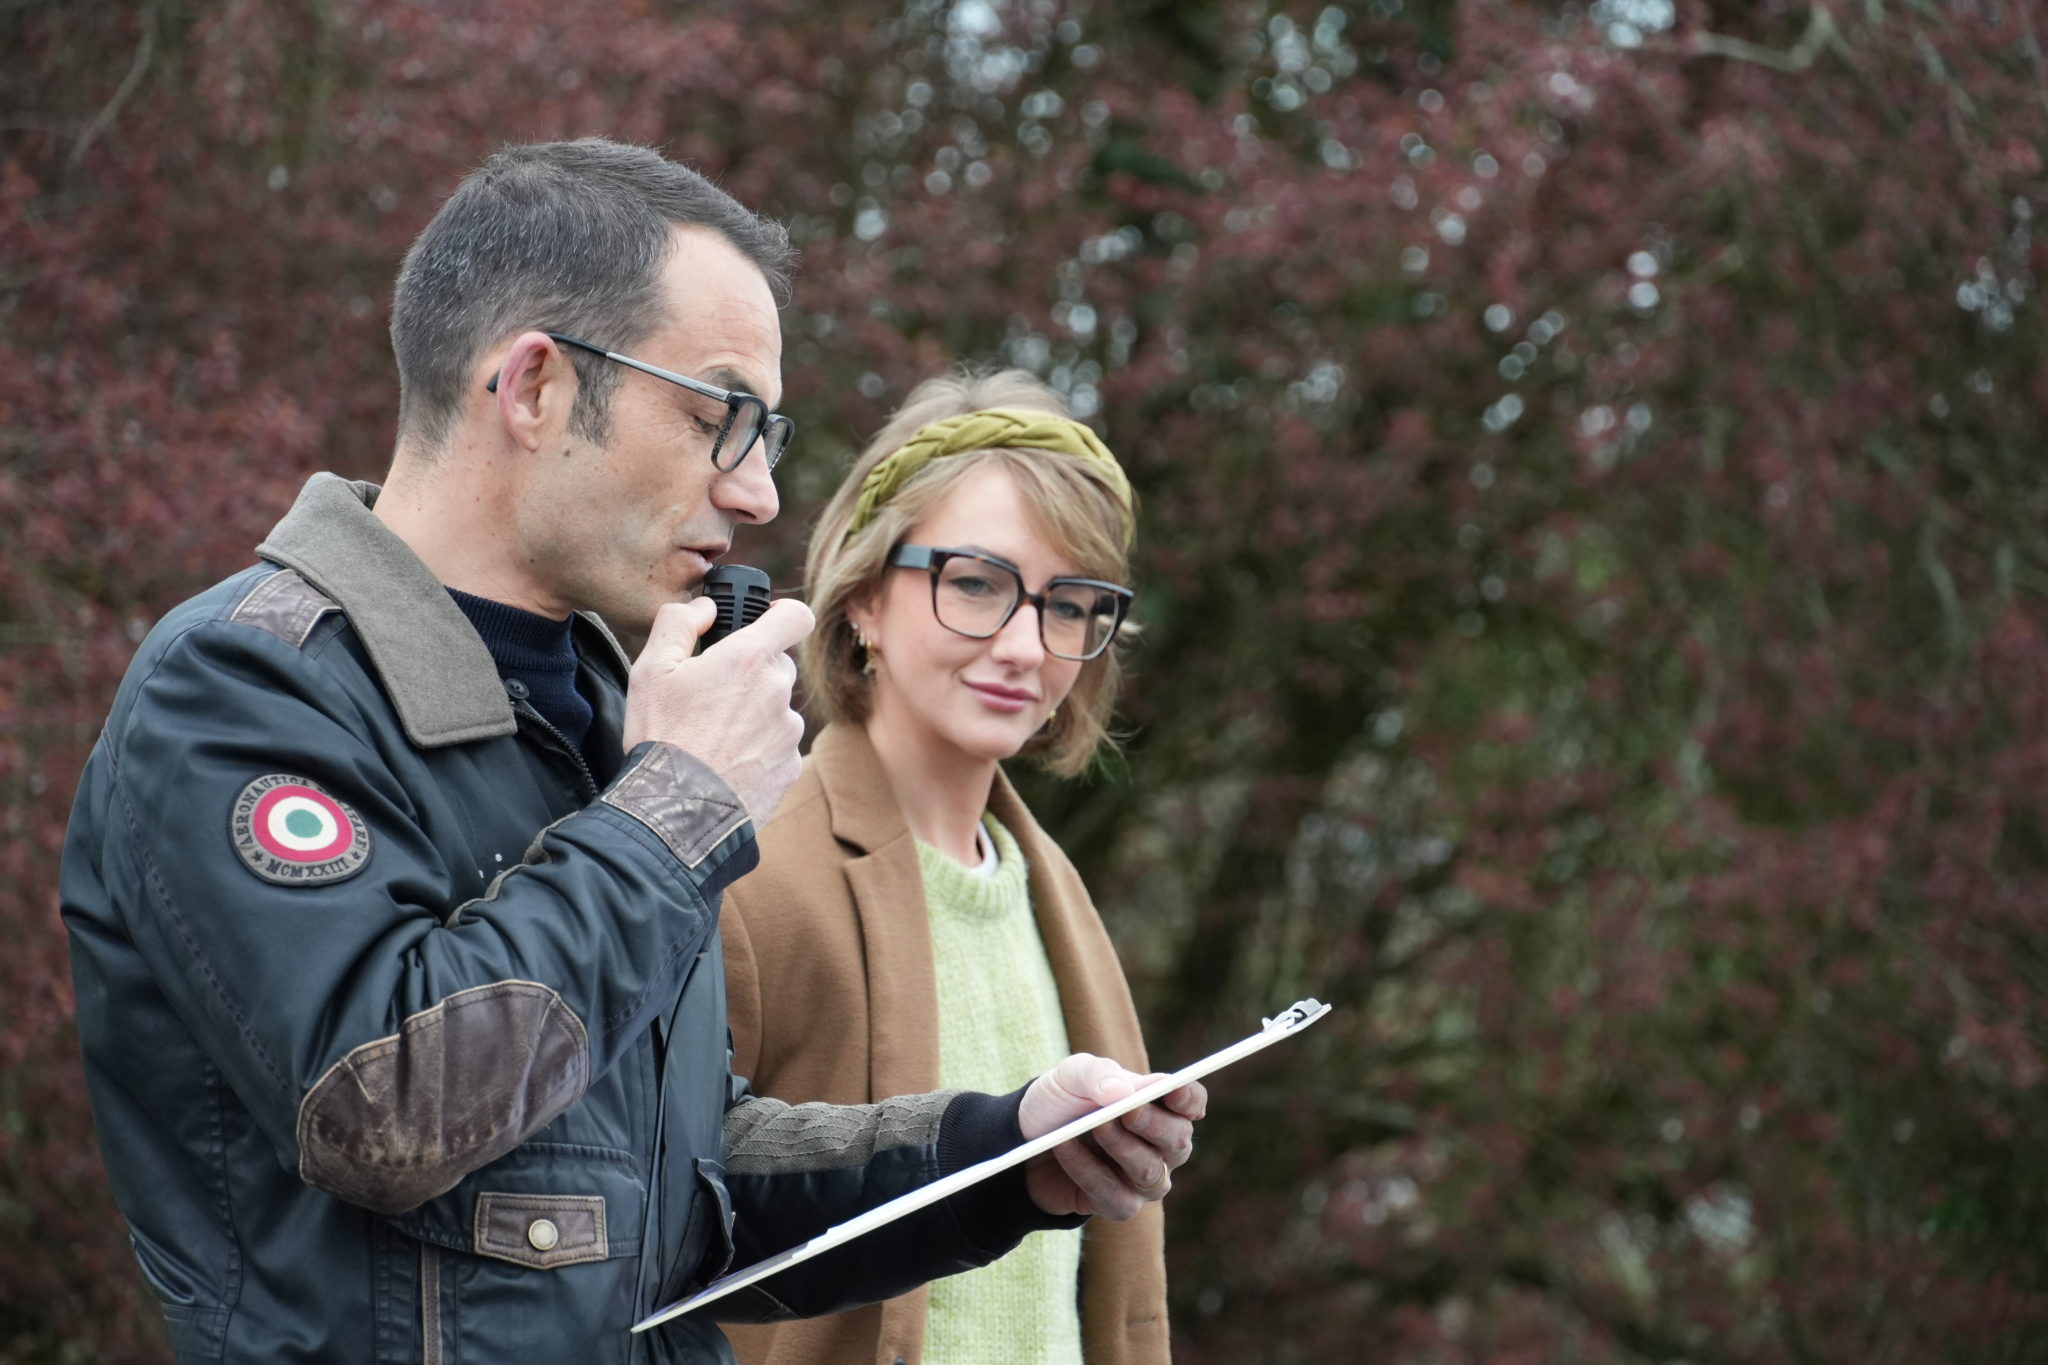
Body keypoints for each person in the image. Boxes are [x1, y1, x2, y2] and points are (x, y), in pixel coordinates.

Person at [59, 139, 1204, 1365]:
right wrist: (674, 809)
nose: (761, 491)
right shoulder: (244, 685)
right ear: (536, 387)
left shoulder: (607, 710)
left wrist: (1004, 1153)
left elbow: (681, 1197)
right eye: (721, 416)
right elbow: (384, 1111)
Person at [721, 371, 1166, 1365]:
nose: (1024, 645)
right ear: (865, 598)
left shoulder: (1053, 897)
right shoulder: (747, 869)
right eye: (974, 584)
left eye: (1070, 604)